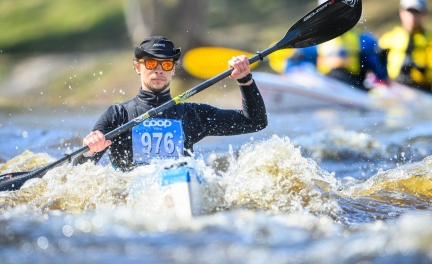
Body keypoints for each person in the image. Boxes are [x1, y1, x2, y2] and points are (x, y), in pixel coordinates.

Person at [73, 36, 267, 171]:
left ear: (173, 69)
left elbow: (254, 122)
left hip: (180, 185)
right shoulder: (117, 115)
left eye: (166, 64)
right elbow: (77, 172)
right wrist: (90, 152)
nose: (158, 70)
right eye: (151, 63)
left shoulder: (192, 115)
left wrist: (245, 80)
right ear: (137, 67)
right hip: (132, 187)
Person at [281, 0, 390, 91]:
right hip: (324, 85)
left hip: (355, 87)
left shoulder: (364, 40)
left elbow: (381, 75)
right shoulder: (312, 42)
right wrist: (323, 61)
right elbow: (291, 68)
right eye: (328, 12)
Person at [379, 0, 431, 93]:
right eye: (409, 11)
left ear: (424, 14)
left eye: (416, 12)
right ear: (401, 12)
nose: (412, 16)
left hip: (422, 91)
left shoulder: (429, 41)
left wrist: (422, 70)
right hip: (393, 88)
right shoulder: (388, 38)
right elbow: (374, 67)